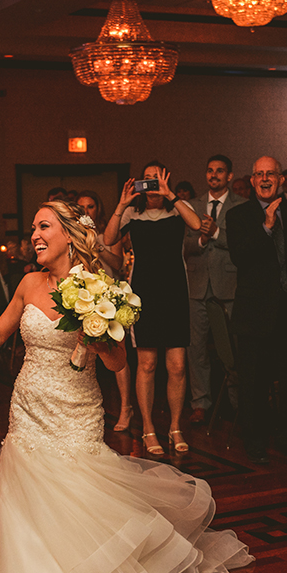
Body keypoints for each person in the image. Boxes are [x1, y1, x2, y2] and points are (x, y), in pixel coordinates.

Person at [0, 199, 253, 573]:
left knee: (80, 496)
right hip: (29, 408)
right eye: (33, 227)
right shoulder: (29, 283)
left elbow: (119, 361)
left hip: (76, 408)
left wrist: (96, 338)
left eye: (43, 226)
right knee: (27, 504)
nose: (34, 234)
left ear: (69, 235)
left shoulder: (100, 288)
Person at [103, 161, 202, 456]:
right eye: (146, 180)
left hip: (175, 294)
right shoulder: (133, 213)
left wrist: (171, 194)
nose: (151, 185)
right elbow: (108, 239)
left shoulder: (176, 208)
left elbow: (196, 225)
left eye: (156, 179)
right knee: (147, 364)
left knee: (178, 366)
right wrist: (121, 205)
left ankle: (174, 427)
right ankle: (147, 428)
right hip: (143, 294)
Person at [226, 156, 287, 463]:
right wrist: (266, 227)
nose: (265, 179)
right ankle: (254, 442)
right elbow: (240, 257)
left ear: (281, 180)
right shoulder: (238, 215)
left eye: (271, 174)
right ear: (252, 181)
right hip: (254, 315)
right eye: (259, 174)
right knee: (253, 384)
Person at [185, 154, 247, 426]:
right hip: (198, 287)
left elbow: (245, 247)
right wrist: (201, 237)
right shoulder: (194, 205)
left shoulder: (241, 206)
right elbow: (185, 246)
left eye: (220, 171)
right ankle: (200, 403)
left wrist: (217, 233)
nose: (214, 176)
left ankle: (237, 403)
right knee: (196, 349)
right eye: (210, 171)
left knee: (232, 350)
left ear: (230, 176)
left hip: (229, 287)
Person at [76, 189, 133, 432]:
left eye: (90, 206)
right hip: (82, 295)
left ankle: (125, 407)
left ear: (97, 209)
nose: (86, 211)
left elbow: (118, 264)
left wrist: (96, 246)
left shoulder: (108, 233)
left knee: (116, 353)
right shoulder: (71, 235)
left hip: (107, 295)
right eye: (81, 207)